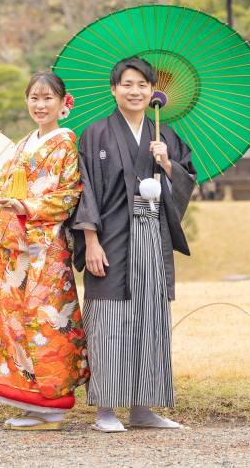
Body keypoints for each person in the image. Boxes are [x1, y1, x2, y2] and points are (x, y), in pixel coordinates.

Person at [0, 71, 89, 431]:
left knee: (44, 321)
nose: (40, 105)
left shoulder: (66, 143)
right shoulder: (23, 144)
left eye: (48, 98)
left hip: (44, 250)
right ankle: (32, 404)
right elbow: (3, 193)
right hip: (13, 250)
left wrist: (27, 208)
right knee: (13, 323)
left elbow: (68, 196)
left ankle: (52, 407)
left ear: (64, 103)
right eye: (34, 98)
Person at [72, 57, 197, 432]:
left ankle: (143, 408)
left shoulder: (166, 136)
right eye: (127, 84)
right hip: (109, 236)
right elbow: (84, 190)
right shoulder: (95, 134)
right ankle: (106, 410)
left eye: (143, 84)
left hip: (152, 236)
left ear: (153, 90)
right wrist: (90, 241)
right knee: (109, 320)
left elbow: (187, 179)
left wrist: (168, 163)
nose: (135, 91)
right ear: (114, 89)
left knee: (151, 318)